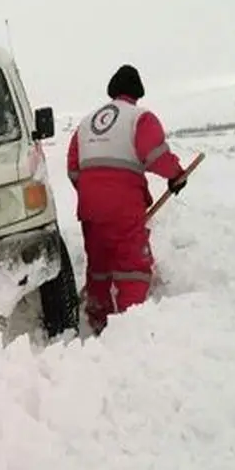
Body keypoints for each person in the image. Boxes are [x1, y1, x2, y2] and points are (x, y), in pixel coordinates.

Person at [66, 64, 187, 334]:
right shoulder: (140, 117)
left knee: (98, 266)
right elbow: (154, 154)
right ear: (137, 92)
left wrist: (92, 192)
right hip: (123, 209)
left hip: (89, 209)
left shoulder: (86, 123)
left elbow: (73, 168)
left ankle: (97, 320)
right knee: (131, 267)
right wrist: (176, 175)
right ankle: (130, 328)